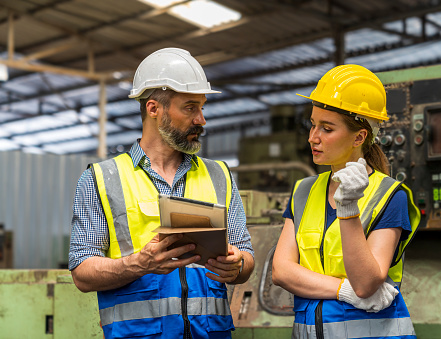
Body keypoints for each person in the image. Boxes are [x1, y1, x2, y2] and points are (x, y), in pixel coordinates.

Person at [69, 48, 254, 339]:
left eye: (202, 107)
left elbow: (246, 256)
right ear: (154, 108)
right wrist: (138, 264)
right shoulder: (101, 179)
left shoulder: (220, 175)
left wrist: (237, 265)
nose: (201, 120)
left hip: (210, 333)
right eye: (190, 108)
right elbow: (82, 271)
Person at [272, 64, 420, 339]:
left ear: (359, 137)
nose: (312, 137)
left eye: (326, 129)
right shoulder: (303, 191)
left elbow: (365, 284)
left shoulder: (389, 196)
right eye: (312, 125)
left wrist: (349, 208)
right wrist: (342, 289)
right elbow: (281, 271)